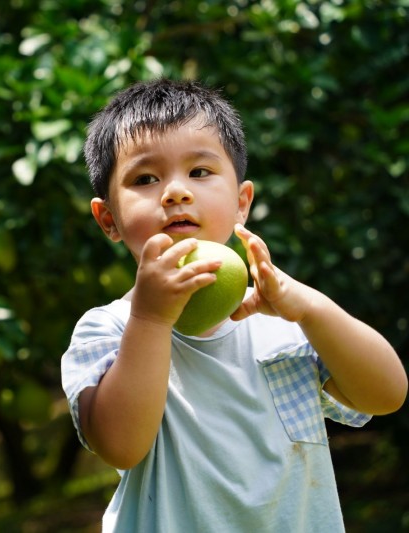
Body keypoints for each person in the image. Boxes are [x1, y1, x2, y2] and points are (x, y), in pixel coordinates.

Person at [60, 78, 407, 532]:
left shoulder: (282, 319)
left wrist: (311, 309)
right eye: (146, 179)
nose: (176, 192)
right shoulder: (110, 328)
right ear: (110, 220)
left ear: (242, 202)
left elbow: (386, 395)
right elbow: (120, 444)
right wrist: (151, 317)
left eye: (200, 172)